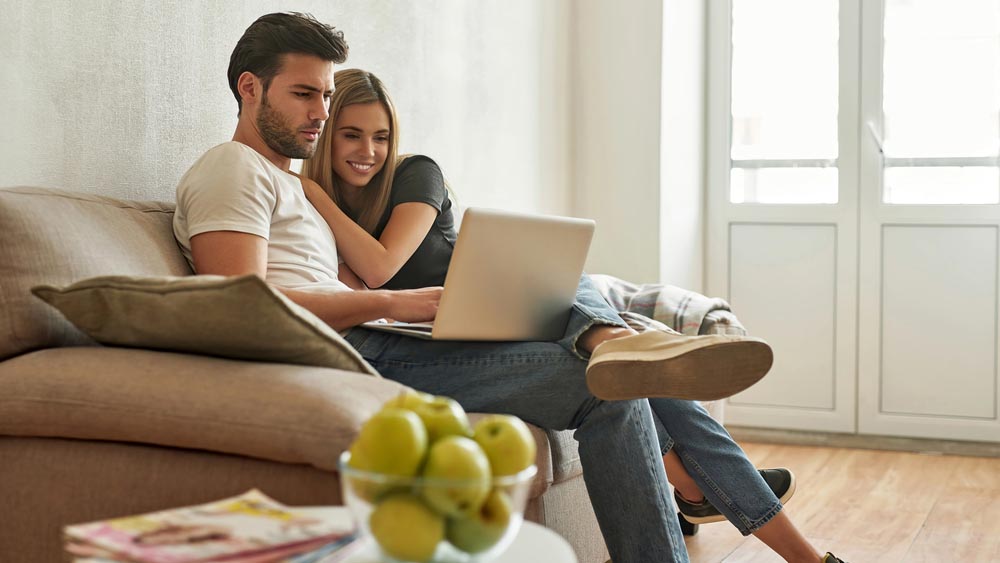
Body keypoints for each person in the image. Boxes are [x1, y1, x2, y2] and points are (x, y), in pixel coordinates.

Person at [171, 12, 847, 563]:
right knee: (608, 382)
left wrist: (401, 309)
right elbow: (238, 306)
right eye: (304, 94)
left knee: (610, 379)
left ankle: (616, 343)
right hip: (356, 355)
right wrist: (392, 302)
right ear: (250, 88)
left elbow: (327, 281)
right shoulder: (232, 167)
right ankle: (618, 346)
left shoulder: (292, 184)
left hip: (382, 339)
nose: (319, 110)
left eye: (325, 94)